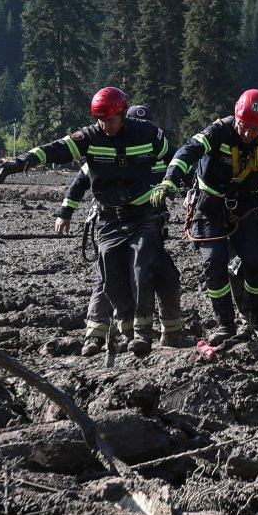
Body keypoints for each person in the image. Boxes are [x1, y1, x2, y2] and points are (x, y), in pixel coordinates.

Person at [0, 87, 173, 355]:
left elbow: (176, 155)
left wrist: (177, 182)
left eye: (110, 120)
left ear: (121, 114)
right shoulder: (90, 137)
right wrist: (23, 161)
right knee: (111, 281)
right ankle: (128, 330)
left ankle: (142, 334)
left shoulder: (146, 132)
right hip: (108, 220)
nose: (106, 125)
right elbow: (57, 149)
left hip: (143, 217)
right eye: (100, 120)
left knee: (142, 271)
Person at [154, 89, 258, 349]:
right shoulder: (218, 131)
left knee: (256, 261)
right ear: (235, 118)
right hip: (211, 206)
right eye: (244, 127)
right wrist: (170, 180)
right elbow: (187, 151)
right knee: (214, 262)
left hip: (248, 206)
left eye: (255, 129)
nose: (248, 133)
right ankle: (225, 324)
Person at [61, 105, 191, 354]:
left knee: (165, 277)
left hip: (149, 227)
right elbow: (80, 182)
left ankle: (171, 334)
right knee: (108, 278)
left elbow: (182, 174)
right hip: (115, 224)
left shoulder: (158, 156)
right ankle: (96, 336)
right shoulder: (105, 156)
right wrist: (65, 212)